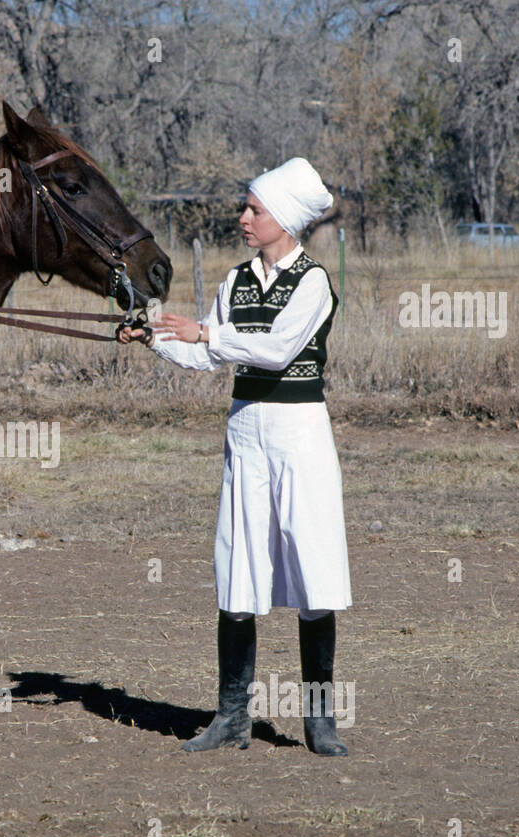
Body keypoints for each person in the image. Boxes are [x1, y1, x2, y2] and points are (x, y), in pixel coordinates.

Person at [119, 157, 352, 756]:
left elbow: (274, 351)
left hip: (300, 435)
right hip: (246, 433)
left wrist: (206, 335)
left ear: (287, 221)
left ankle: (319, 721)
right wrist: (156, 337)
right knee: (237, 567)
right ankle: (231, 718)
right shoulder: (236, 281)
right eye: (246, 208)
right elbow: (207, 354)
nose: (243, 218)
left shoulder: (314, 283)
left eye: (255, 209)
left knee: (311, 570)